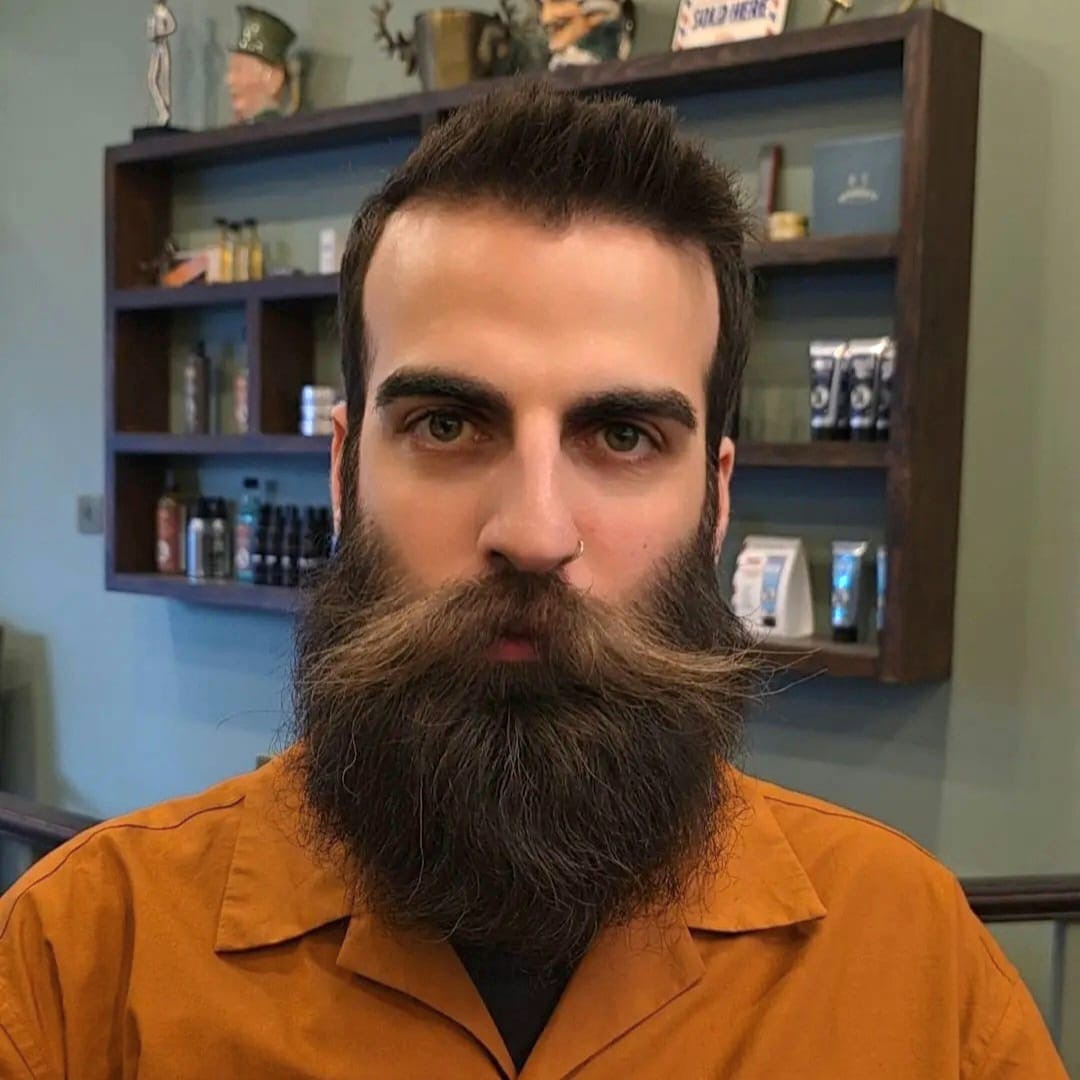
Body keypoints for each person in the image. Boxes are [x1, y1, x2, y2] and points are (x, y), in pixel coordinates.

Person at [0, 83, 1066, 1078]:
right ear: (343, 472)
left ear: (716, 498)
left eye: (623, 435)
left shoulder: (917, 970)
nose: (534, 532)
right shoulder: (78, 969)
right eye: (447, 425)